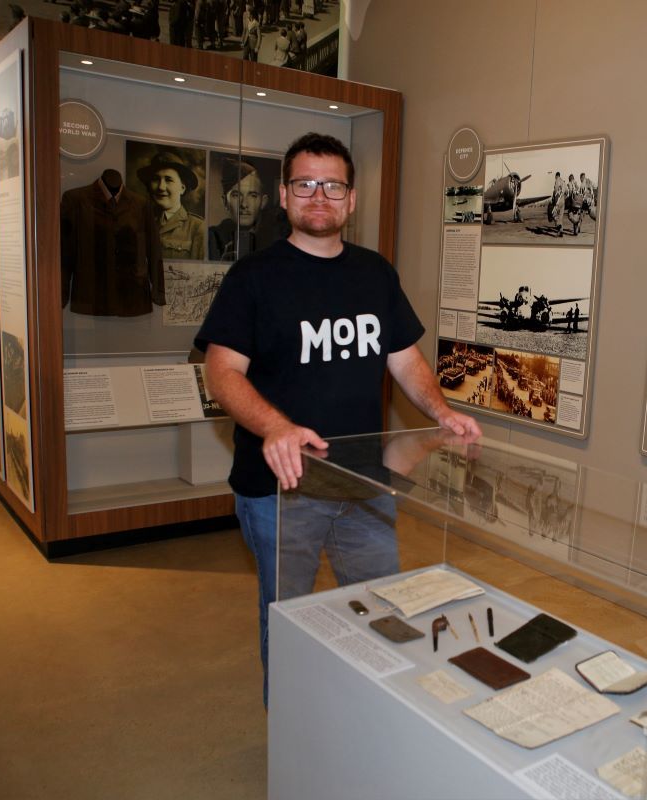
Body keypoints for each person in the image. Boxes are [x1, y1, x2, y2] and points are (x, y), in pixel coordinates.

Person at [195, 132, 480, 700]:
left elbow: (404, 359)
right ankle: (297, 743)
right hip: (281, 488)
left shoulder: (375, 274)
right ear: (284, 195)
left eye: (332, 185)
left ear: (351, 200)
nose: (318, 196)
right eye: (305, 184)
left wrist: (442, 411)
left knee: (383, 613)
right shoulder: (253, 278)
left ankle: (370, 720)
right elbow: (221, 372)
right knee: (293, 623)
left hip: (363, 484)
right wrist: (276, 426)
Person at [136, 149, 206, 259]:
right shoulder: (140, 223)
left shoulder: (197, 227)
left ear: (182, 188)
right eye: (155, 179)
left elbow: (198, 272)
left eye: (168, 180)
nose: (161, 187)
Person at [208, 157, 279, 260]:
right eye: (236, 195)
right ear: (225, 202)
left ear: (263, 202)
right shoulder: (213, 237)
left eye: (253, 195)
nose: (244, 204)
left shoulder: (274, 239)